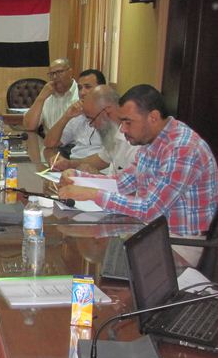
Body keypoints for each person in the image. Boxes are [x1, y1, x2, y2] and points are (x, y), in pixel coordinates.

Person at [59, 84, 218, 244]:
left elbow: (151, 209)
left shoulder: (183, 149)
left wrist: (92, 194)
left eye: (128, 122)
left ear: (153, 117)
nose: (122, 129)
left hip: (181, 242)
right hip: (151, 232)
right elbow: (123, 182)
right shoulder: (152, 142)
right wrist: (77, 177)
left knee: (97, 246)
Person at [53, 84, 140, 175]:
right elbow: (101, 160)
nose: (91, 125)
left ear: (107, 112)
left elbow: (130, 183)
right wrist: (68, 164)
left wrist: (97, 176)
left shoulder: (134, 141)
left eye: (92, 119)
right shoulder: (114, 133)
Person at [43, 69, 107, 159]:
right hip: (73, 163)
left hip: (95, 166)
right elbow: (49, 143)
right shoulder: (78, 115)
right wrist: (66, 116)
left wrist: (71, 164)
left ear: (102, 89)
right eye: (80, 88)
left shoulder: (112, 117)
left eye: (88, 87)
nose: (82, 92)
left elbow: (107, 159)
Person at [22, 58, 79, 133]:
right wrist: (41, 98)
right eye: (51, 74)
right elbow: (29, 126)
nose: (55, 77)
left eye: (59, 72)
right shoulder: (47, 96)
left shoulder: (81, 93)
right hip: (49, 140)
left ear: (70, 72)